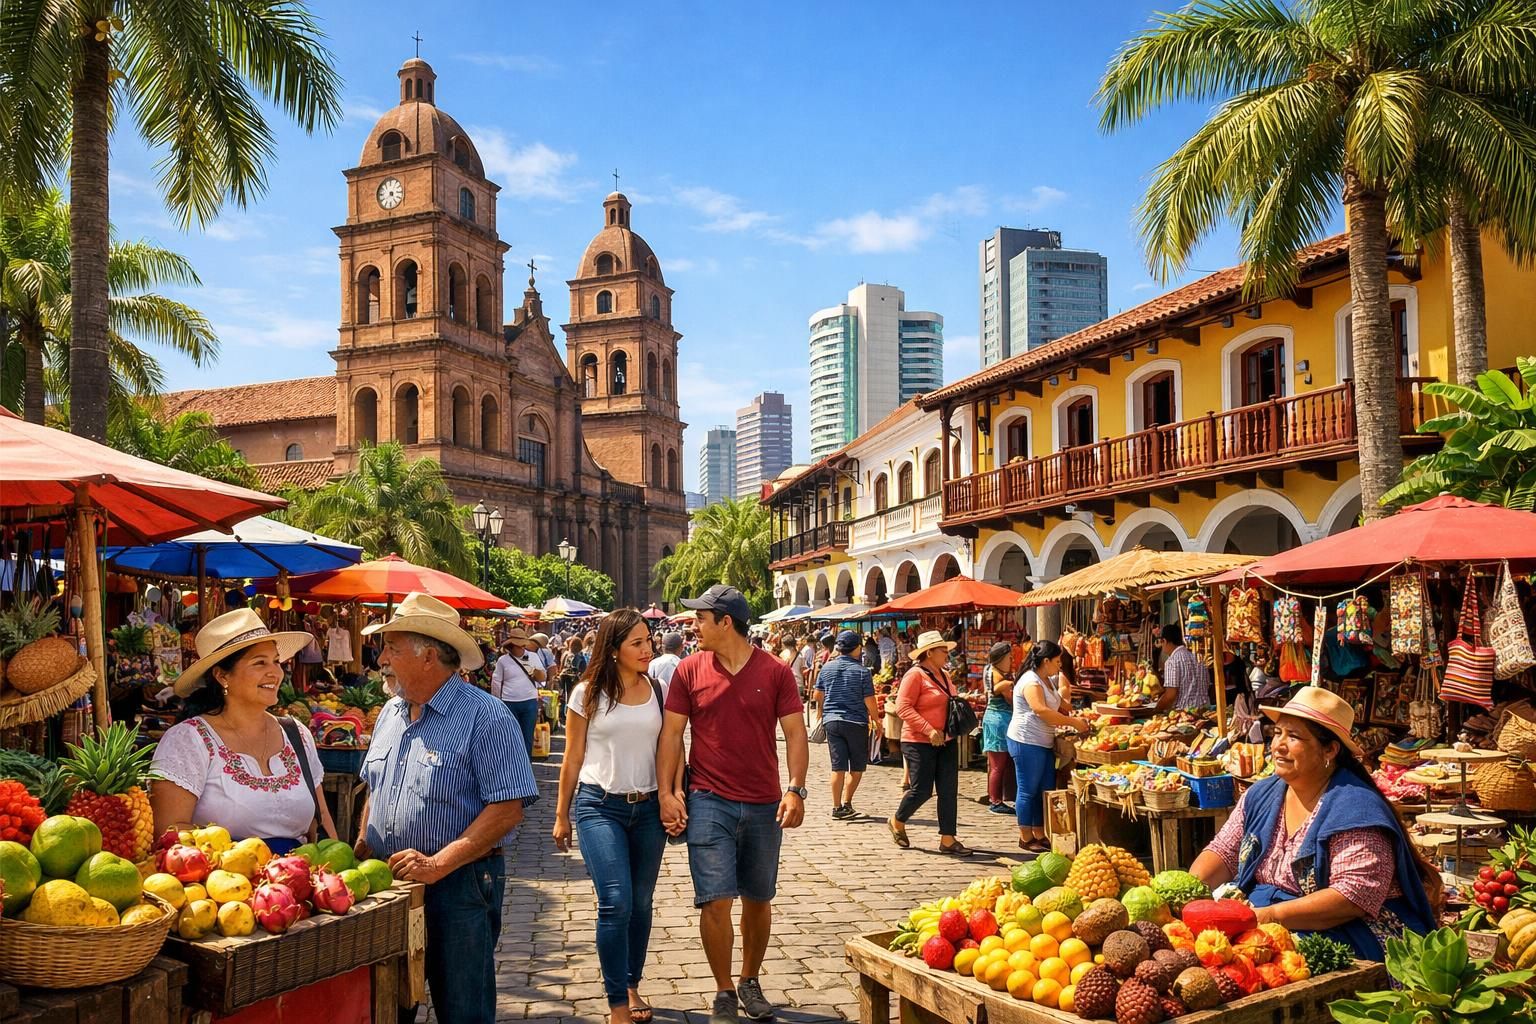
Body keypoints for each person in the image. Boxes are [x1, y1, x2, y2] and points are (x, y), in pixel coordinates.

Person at [354, 593, 538, 1024]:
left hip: (460, 886)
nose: (381, 658)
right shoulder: (391, 712)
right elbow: (375, 788)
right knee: (388, 1005)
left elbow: (508, 809)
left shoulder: (486, 717)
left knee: (463, 1008)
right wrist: (363, 844)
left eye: (392, 648)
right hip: (389, 883)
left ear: (428, 656)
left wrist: (438, 863)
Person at [1190, 687, 1439, 960]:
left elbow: (1352, 897)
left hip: (1346, 931)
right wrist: (1188, 894)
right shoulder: (1261, 795)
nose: (1278, 746)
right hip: (1264, 919)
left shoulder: (1356, 809)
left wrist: (1267, 916)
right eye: (1277, 734)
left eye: (1294, 736)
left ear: (1330, 750)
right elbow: (1224, 852)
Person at [657, 585, 808, 1024]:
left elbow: (796, 735)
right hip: (708, 800)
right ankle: (724, 988)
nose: (693, 625)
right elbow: (671, 735)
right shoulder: (688, 670)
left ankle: (749, 979)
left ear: (726, 622)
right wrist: (668, 792)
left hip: (764, 803)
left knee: (758, 899)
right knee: (715, 900)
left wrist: (796, 788)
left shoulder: (776, 672)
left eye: (700, 618)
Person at [553, 610, 669, 1024]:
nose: (646, 648)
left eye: (648, 640)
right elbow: (572, 757)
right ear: (614, 648)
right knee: (615, 902)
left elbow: (668, 747)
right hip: (598, 806)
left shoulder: (656, 688)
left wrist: (671, 794)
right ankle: (618, 1002)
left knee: (640, 903)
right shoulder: (586, 693)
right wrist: (561, 813)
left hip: (650, 808)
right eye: (636, 642)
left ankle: (632, 981)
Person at [150, 608, 338, 854]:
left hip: (298, 883)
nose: (275, 672)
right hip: (222, 885)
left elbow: (321, 819)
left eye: (276, 661)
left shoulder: (296, 735)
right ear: (221, 675)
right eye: (260, 662)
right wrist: (244, 862)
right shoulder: (187, 741)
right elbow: (169, 832)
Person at [890, 630, 972, 856]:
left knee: (948, 790)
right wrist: (928, 729)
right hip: (918, 741)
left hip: (946, 739)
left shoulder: (944, 675)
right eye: (943, 650)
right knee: (922, 790)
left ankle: (948, 839)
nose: (947, 654)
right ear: (929, 653)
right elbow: (903, 707)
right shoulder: (914, 675)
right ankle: (898, 820)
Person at [1008, 639, 1093, 854]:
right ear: (1045, 661)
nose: (1059, 666)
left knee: (1044, 788)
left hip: (1043, 741)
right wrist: (1074, 723)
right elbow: (1041, 710)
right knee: (1028, 790)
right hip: (1026, 740)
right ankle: (1025, 836)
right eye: (1057, 662)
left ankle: (1039, 832)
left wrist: (1077, 711)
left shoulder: (1047, 680)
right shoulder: (1031, 681)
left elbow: (1061, 704)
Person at [814, 630, 878, 819]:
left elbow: (817, 695)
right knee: (857, 767)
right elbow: (870, 701)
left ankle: (836, 807)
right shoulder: (862, 672)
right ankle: (847, 802)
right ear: (857, 648)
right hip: (856, 722)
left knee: (837, 767)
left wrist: (822, 710)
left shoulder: (827, 668)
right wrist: (876, 720)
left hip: (832, 722)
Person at [492, 626, 543, 757]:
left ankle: (525, 766)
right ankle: (511, 765)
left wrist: (535, 671)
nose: (520, 648)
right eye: (517, 646)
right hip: (509, 702)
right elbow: (496, 682)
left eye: (522, 646)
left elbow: (543, 677)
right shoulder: (503, 660)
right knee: (510, 737)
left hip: (529, 701)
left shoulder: (533, 657)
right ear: (511, 646)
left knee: (527, 737)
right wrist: (497, 702)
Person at [980, 641, 1017, 815]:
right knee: (997, 765)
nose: (1011, 660)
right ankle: (995, 801)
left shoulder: (989, 670)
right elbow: (1010, 700)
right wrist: (1010, 685)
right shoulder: (1000, 679)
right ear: (1001, 658)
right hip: (999, 721)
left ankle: (999, 797)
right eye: (1009, 657)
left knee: (997, 764)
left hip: (995, 719)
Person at [1156, 622, 1214, 710]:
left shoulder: (1172, 661)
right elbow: (1208, 685)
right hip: (1205, 711)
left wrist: (1156, 709)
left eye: (1161, 642)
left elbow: (1171, 695)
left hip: (1185, 713)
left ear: (1164, 641)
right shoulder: (1198, 658)